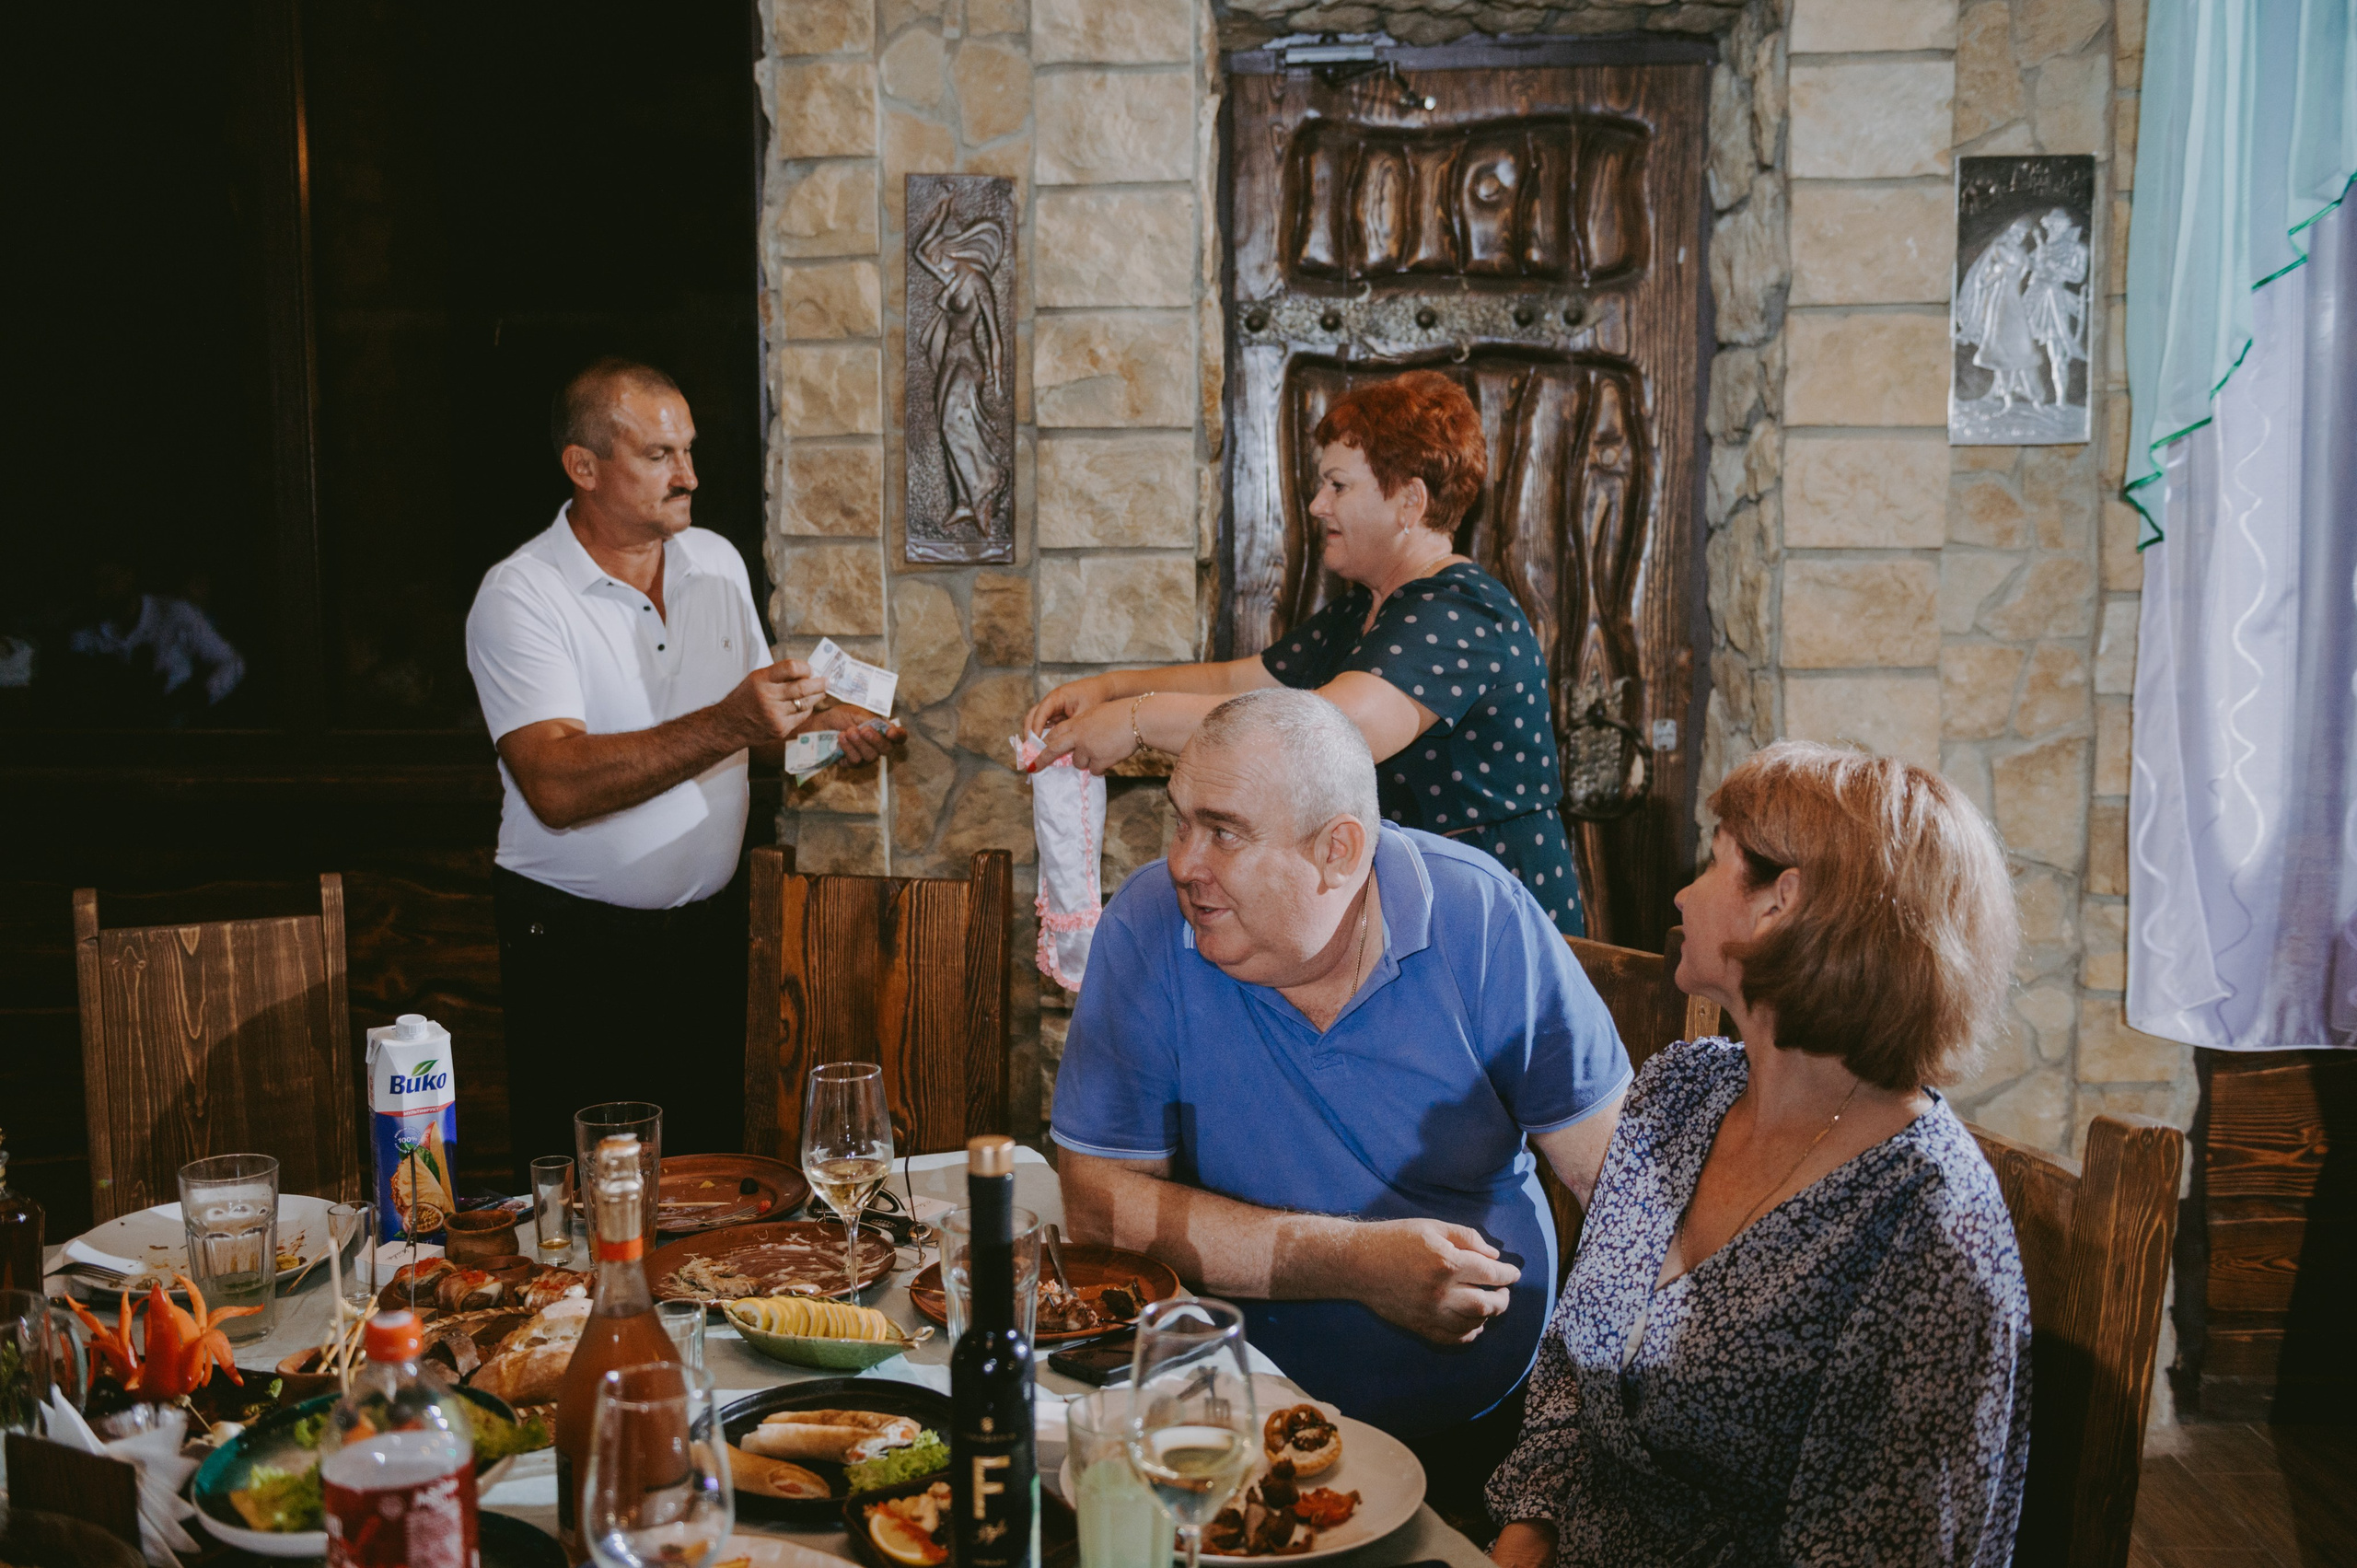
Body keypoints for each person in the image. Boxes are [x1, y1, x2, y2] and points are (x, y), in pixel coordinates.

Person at [1052, 688, 1631, 1516]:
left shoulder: (1480, 918)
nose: (1183, 861)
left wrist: (1563, 1461)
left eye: (1223, 831)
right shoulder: (1148, 924)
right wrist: (1356, 1265)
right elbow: (1099, 1208)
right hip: (1223, 1427)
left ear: (1338, 849)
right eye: (1180, 820)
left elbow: (1626, 1206)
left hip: (1481, 1448)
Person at [1485, 741, 2032, 1565]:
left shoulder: (1935, 1227)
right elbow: (1570, 1364)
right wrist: (1519, 1545)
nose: (1682, 891)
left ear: (1781, 902)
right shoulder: (1680, 1091)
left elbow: (1885, 1547)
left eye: (1712, 862)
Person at [464, 358, 901, 1180]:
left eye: (690, 451)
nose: (690, 475)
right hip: (575, 950)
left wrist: (829, 731)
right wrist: (731, 719)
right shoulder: (522, 593)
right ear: (583, 467)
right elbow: (555, 785)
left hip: (710, 937)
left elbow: (755, 734)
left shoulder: (714, 562)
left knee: (713, 1197)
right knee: (598, 1213)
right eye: (660, 455)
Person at [1025, 370, 1586, 935]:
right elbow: (1238, 684)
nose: (1318, 505)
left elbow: (1332, 732)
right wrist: (1109, 689)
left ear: (1410, 502)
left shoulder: (1460, 610)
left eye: (1338, 486)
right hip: (1425, 909)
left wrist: (1135, 721)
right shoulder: (1365, 610)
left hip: (1490, 922)